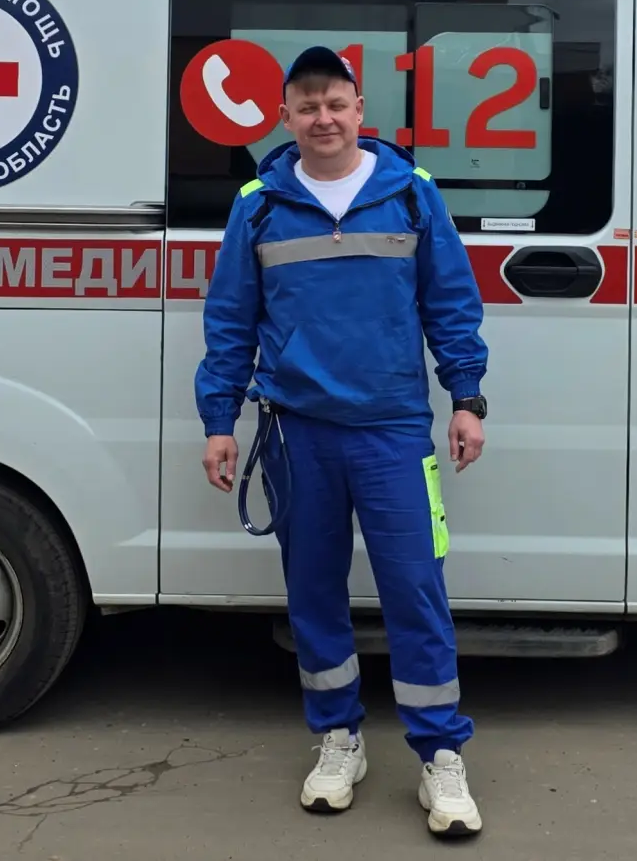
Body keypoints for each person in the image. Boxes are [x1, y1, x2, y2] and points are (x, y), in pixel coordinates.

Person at [196, 44, 491, 837]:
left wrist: (466, 398)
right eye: (307, 107)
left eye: (336, 104)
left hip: (393, 432)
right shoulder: (259, 205)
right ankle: (338, 740)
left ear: (360, 110)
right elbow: (229, 322)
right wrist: (219, 421)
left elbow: (451, 303)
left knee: (416, 590)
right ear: (285, 117)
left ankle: (440, 754)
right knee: (314, 593)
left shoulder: (412, 194)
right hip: (297, 433)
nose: (322, 119)